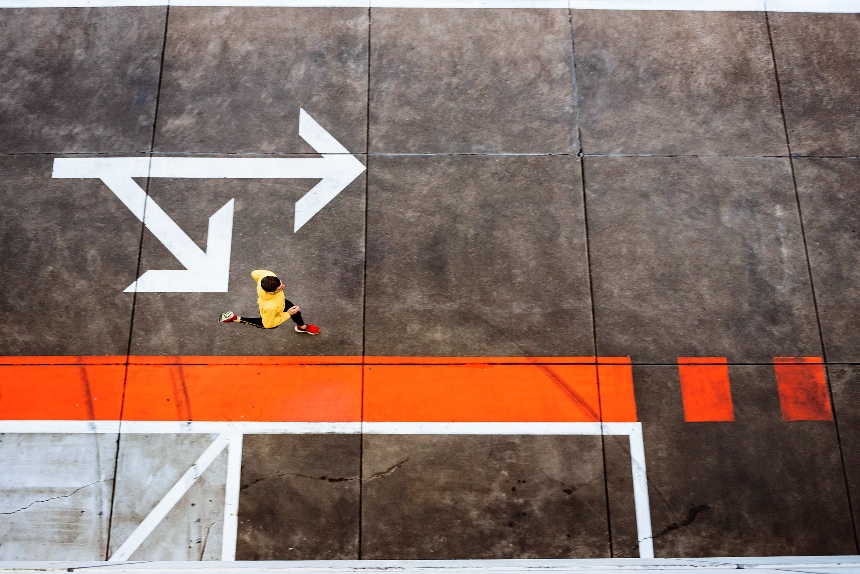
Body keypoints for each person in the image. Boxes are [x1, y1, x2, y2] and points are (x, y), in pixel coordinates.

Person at [219, 269, 320, 335]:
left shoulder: (267, 275)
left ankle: (302, 327)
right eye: (280, 288)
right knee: (267, 323)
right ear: (271, 292)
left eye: (280, 282)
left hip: (281, 302)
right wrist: (288, 314)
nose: (283, 286)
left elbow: (254, 273)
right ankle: (236, 319)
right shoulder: (270, 307)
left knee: (295, 311)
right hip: (273, 310)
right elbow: (268, 325)